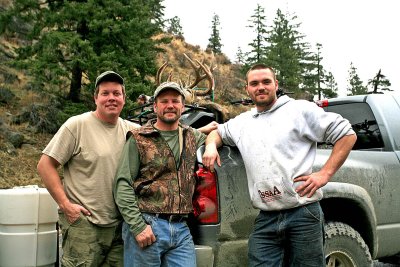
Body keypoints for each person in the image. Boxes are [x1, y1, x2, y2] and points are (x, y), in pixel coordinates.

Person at [202, 64, 357, 266]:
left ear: (276, 84)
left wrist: (324, 174)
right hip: (266, 217)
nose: (261, 87)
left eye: (266, 82)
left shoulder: (299, 110)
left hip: (303, 212)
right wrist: (210, 147)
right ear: (247, 89)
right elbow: (217, 132)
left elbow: (346, 134)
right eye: (254, 83)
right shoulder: (243, 122)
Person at [37, 70, 139, 266]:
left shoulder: (132, 131)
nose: (111, 98)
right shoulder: (77, 125)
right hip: (83, 225)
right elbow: (45, 165)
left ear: (124, 99)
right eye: (105, 93)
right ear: (96, 98)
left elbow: (164, 134)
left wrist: (209, 133)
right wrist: (66, 206)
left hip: (119, 229)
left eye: (117, 93)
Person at [114, 81, 218, 267]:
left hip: (181, 229)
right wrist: (138, 226)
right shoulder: (139, 138)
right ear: (155, 106)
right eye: (164, 101)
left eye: (175, 101)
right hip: (148, 224)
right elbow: (122, 185)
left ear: (183, 106)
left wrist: (210, 146)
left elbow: (216, 131)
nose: (170, 105)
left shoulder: (191, 136)